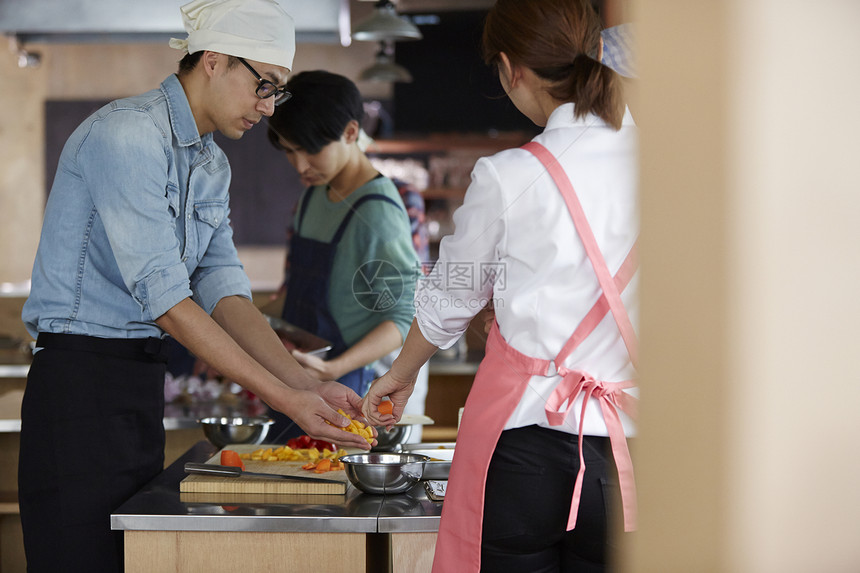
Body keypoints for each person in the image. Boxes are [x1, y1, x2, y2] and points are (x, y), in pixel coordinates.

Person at [19, 2, 372, 572]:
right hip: (78, 387)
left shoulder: (210, 165)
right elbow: (164, 298)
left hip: (138, 385)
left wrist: (305, 382)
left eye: (276, 92)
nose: (267, 105)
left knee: (130, 557)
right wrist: (287, 401)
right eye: (264, 85)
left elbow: (224, 290)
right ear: (212, 61)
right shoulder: (128, 135)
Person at [361, 0, 639, 571]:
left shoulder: (509, 175)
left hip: (526, 450)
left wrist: (401, 373)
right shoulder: (668, 165)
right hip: (630, 453)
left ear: (511, 68)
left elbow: (449, 301)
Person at [264, 71, 421, 440]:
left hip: (345, 387)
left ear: (351, 133)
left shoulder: (378, 212)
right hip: (299, 379)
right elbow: (295, 292)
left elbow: (402, 316)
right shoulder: (313, 195)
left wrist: (334, 367)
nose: (300, 165)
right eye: (290, 150)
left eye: (311, 149)